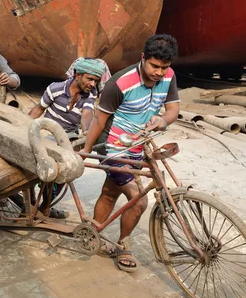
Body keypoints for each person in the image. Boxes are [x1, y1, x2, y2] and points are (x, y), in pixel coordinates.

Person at [80, 34, 181, 273]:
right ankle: (124, 244)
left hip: (140, 145)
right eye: (154, 66)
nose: (158, 72)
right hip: (113, 147)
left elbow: (173, 109)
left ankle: (94, 232)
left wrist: (163, 121)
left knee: (109, 192)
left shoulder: (169, 76)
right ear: (143, 58)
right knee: (138, 200)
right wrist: (85, 151)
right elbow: (98, 121)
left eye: (164, 67)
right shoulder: (120, 83)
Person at [29, 57, 109, 219]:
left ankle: (45, 206)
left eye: (96, 80)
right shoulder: (55, 89)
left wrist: (86, 129)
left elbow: (87, 113)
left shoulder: (90, 94)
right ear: (77, 75)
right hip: (47, 135)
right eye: (90, 79)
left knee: (63, 174)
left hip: (69, 138)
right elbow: (38, 110)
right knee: (40, 171)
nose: (93, 84)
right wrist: (24, 127)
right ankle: (35, 205)